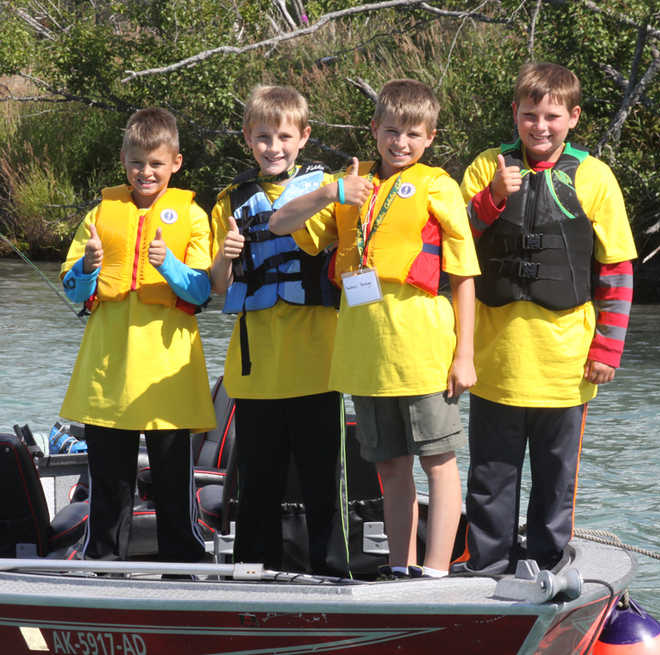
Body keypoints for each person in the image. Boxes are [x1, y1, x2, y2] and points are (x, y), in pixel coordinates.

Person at [269, 79, 480, 579]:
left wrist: (464, 354)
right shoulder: (349, 186)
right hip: (366, 357)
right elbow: (280, 224)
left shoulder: (437, 185)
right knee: (388, 465)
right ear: (374, 130)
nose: (400, 143)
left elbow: (465, 276)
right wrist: (330, 191)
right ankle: (400, 567)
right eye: (391, 131)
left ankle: (434, 571)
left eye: (412, 134)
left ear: (429, 138)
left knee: (437, 459)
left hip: (423, 351)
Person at [458, 62, 637, 574]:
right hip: (495, 365)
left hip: (566, 368)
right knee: (491, 477)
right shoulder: (483, 168)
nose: (541, 126)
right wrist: (492, 198)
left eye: (552, 116)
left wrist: (607, 349)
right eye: (530, 115)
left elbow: (618, 271)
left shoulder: (595, 176)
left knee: (557, 480)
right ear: (515, 114)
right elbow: (453, 248)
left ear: (573, 117)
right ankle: (486, 568)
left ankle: (548, 568)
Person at [58, 107, 215, 563]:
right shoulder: (99, 215)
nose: (145, 172)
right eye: (136, 163)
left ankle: (183, 568)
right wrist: (87, 268)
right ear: (123, 161)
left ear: (176, 163)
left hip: (168, 377)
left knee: (172, 482)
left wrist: (167, 263)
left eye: (156, 164)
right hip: (108, 375)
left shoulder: (194, 216)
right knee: (110, 483)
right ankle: (103, 566)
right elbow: (73, 291)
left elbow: (203, 291)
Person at [209, 85, 348, 577]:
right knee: (257, 487)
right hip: (255, 374)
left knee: (320, 485)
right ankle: (251, 576)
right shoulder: (230, 200)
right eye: (263, 136)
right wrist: (224, 259)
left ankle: (332, 574)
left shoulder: (327, 192)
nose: (274, 147)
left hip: (316, 368)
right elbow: (220, 288)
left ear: (304, 137)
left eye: (284, 136)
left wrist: (329, 191)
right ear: (248, 138)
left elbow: (308, 237)